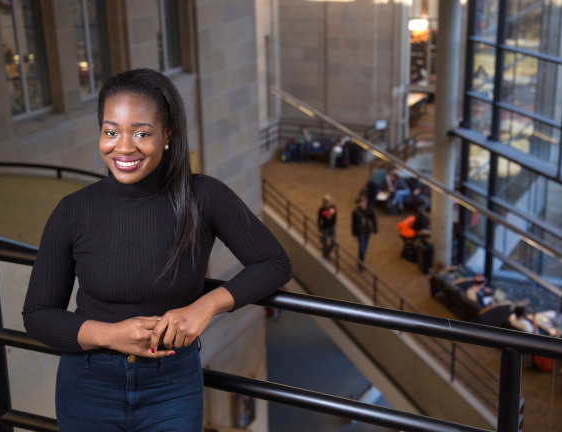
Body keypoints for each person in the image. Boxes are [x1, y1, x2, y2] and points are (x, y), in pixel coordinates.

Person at [22, 69, 292, 431]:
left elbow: (274, 263)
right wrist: (111, 335)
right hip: (89, 384)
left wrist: (206, 307)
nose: (123, 147)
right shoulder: (72, 210)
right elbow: (38, 314)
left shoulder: (203, 196)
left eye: (142, 133)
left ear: (168, 136)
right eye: (111, 131)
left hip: (171, 385)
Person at [352, 195, 377, 270]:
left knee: (364, 248)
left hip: (367, 231)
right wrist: (354, 234)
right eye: (360, 203)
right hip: (360, 233)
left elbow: (374, 220)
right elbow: (353, 224)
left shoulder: (369, 210)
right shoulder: (356, 212)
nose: (361, 204)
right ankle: (360, 264)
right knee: (362, 248)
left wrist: (375, 231)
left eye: (362, 203)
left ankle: (361, 261)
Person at [317, 194, 337, 259]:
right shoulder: (321, 210)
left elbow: (334, 217)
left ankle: (326, 251)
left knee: (333, 242)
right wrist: (320, 230)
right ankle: (325, 255)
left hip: (331, 227)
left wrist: (334, 224)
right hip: (325, 228)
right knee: (325, 243)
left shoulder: (332, 208)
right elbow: (319, 221)